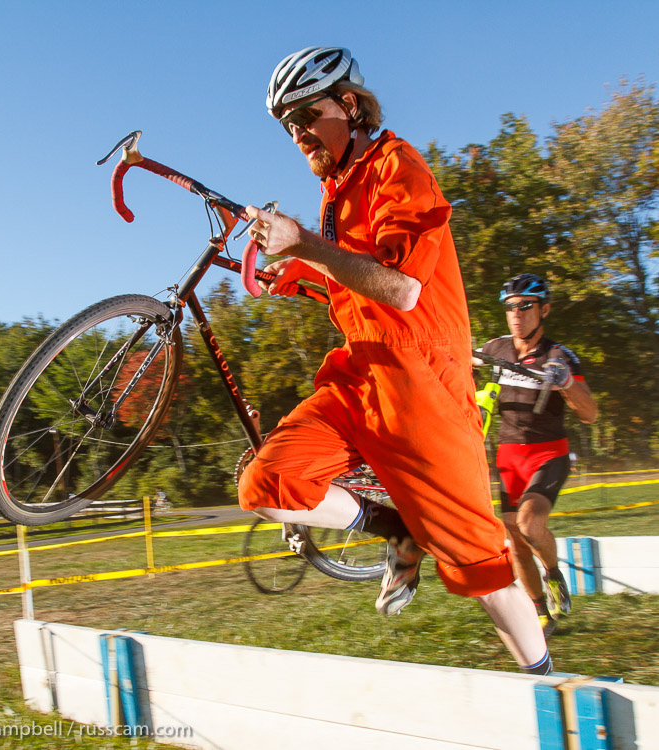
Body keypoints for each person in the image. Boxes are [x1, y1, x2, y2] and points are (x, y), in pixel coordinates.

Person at [237, 46, 551, 674]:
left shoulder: (397, 166)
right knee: (265, 485)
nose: (298, 133)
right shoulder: (336, 188)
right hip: (359, 372)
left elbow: (402, 289)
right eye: (288, 125)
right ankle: (397, 528)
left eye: (307, 115)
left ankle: (552, 687)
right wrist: (296, 271)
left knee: (483, 572)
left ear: (349, 105)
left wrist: (303, 244)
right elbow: (353, 280)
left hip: (424, 385)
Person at [479, 273, 598, 636]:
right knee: (515, 541)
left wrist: (566, 383)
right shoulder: (496, 348)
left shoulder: (559, 356)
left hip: (549, 454)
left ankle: (554, 574)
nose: (516, 314)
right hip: (508, 455)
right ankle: (540, 612)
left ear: (544, 310)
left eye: (525, 306)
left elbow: (590, 414)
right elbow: (456, 364)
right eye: (510, 307)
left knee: (530, 525)